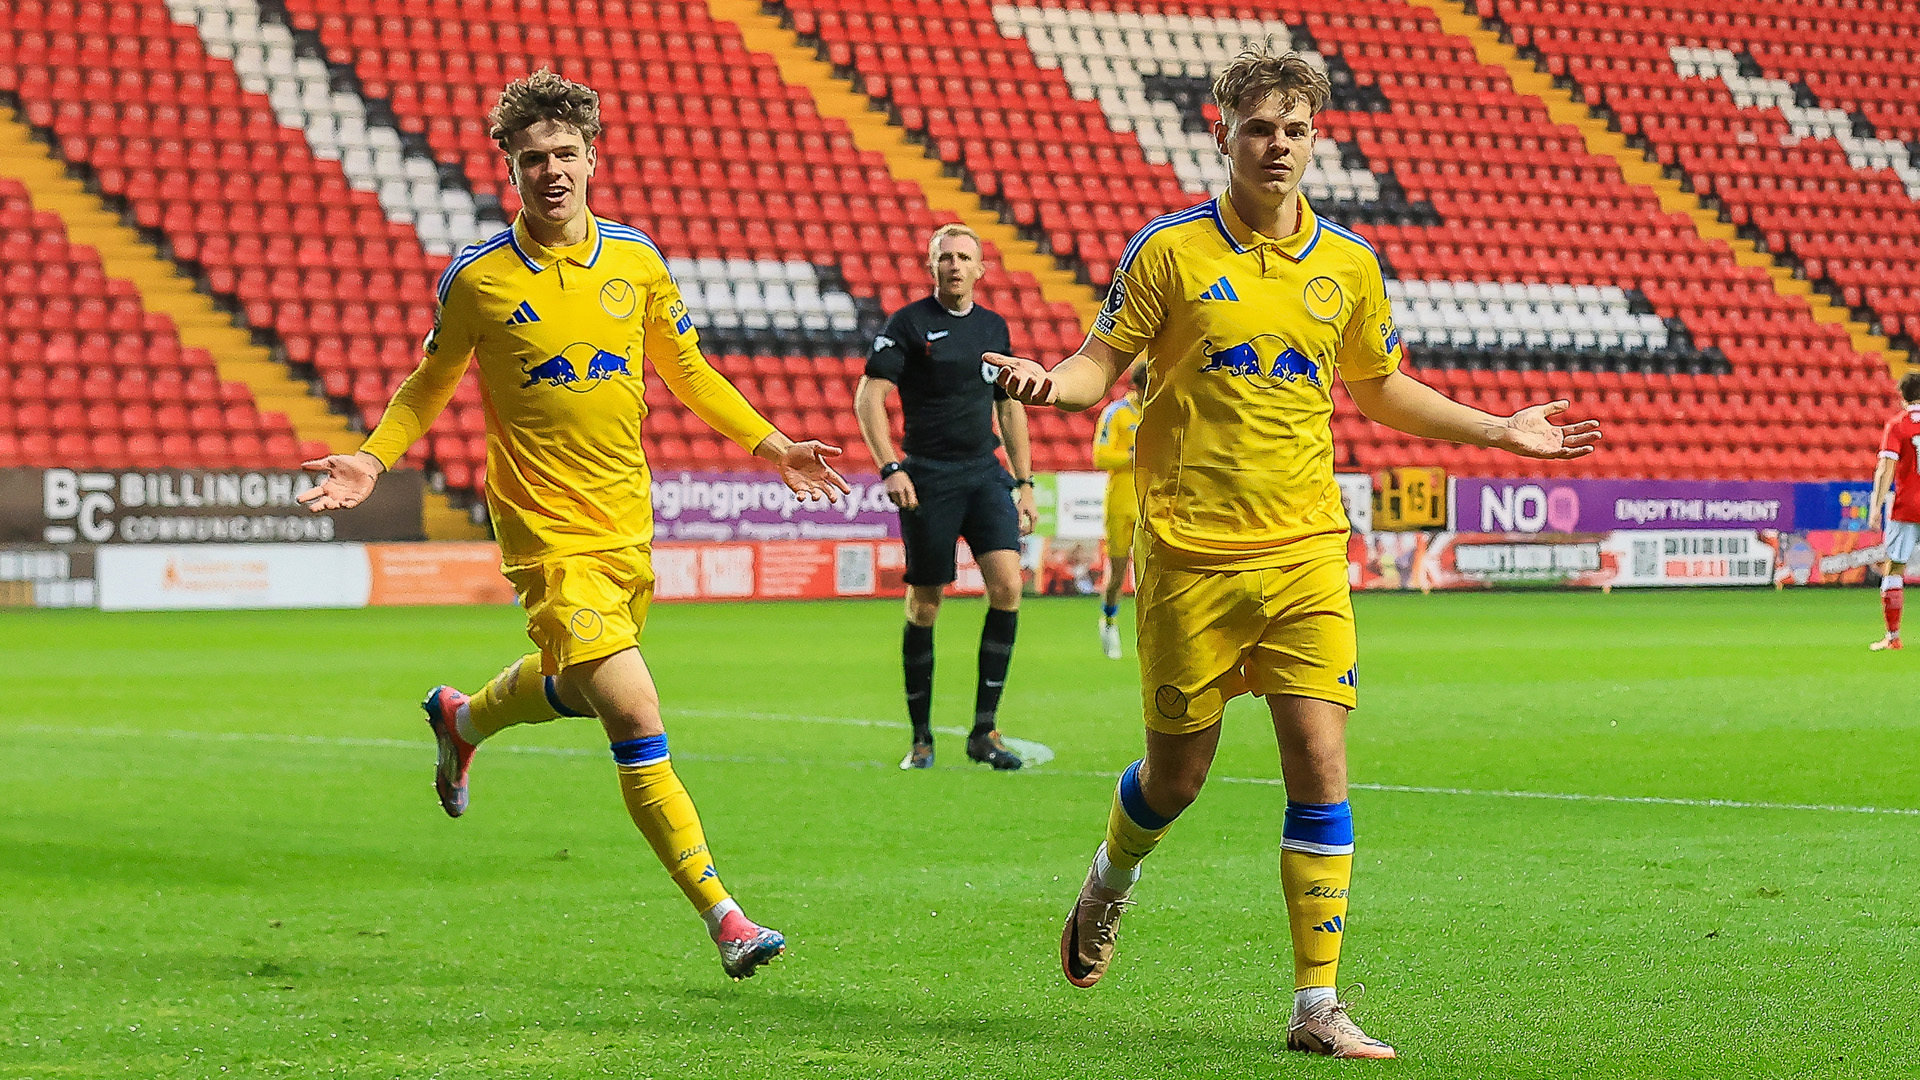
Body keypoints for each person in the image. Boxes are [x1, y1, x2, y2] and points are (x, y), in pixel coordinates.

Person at [986, 45, 1601, 1059]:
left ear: (1316, 138)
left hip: (1309, 548)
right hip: (1190, 555)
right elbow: (1097, 369)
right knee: (1177, 778)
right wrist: (1046, 386)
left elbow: (1380, 385)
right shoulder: (1169, 252)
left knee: (1321, 764)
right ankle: (1112, 876)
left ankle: (1317, 1006)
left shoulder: (1348, 264)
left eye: (1295, 129)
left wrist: (1498, 430)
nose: (1278, 145)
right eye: (1260, 127)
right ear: (1219, 127)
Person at [296, 69, 849, 981]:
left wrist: (771, 443)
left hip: (626, 525)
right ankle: (726, 916)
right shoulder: (478, 280)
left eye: (564, 155)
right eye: (530, 160)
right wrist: (372, 456)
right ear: (507, 171)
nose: (550, 171)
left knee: (583, 683)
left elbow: (689, 370)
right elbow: (430, 381)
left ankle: (462, 719)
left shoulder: (637, 260)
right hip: (545, 535)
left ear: (593, 157)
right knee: (632, 706)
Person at [854, 224, 1036, 772]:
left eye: (964, 257)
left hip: (985, 473)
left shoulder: (993, 328)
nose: (955, 266)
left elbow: (1009, 407)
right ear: (931, 267)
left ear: (981, 269)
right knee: (926, 603)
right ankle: (921, 738)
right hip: (928, 477)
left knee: (1008, 586)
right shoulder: (908, 324)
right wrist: (890, 466)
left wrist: (1024, 482)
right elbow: (870, 397)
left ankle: (984, 730)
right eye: (944, 257)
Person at [1092, 361, 1146, 659]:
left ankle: (1147, 633)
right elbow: (1100, 456)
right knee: (1117, 574)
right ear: (1137, 386)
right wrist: (1133, 455)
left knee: (1150, 575)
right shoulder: (1116, 413)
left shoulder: (1158, 411)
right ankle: (1109, 622)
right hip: (1120, 503)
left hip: (1150, 503)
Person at [1867, 372, 1920, 651]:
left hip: (1907, 506)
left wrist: (1875, 506)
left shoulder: (1897, 425)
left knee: (1894, 567)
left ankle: (1893, 636)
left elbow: (1886, 468)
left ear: (1902, 397)